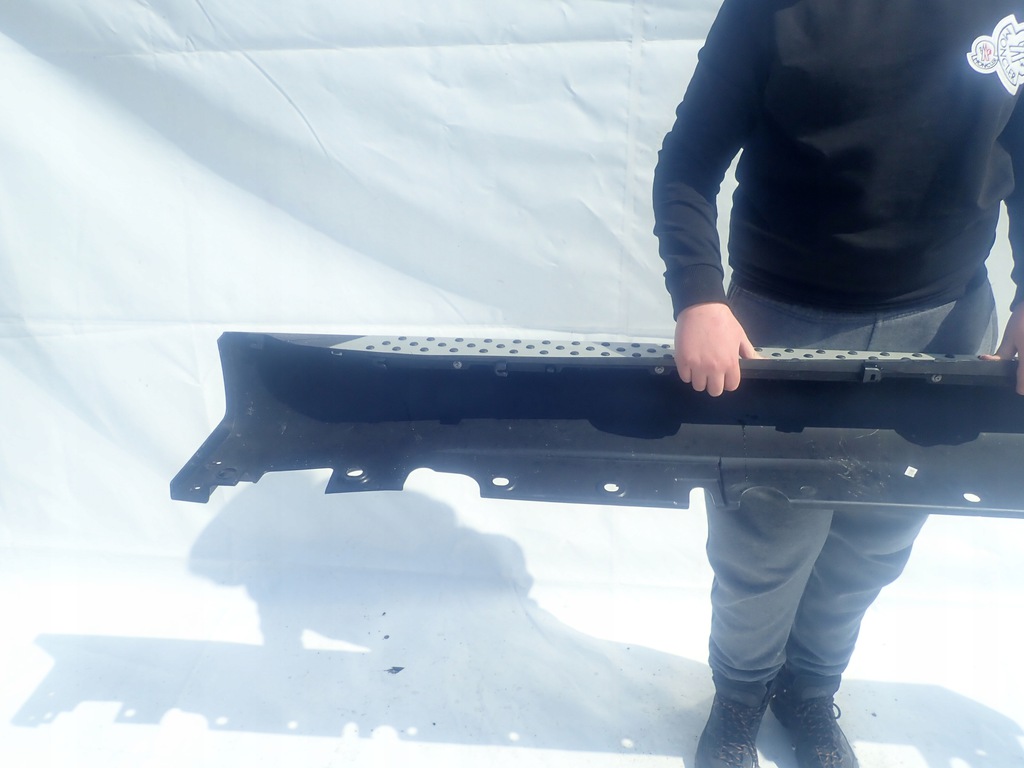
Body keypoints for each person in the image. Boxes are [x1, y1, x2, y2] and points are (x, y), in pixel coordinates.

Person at [652, 2, 1024, 767]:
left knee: (876, 540)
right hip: (780, 328)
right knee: (763, 543)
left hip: (947, 323)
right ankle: (741, 695)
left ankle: (809, 688)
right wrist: (698, 296)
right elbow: (688, 159)